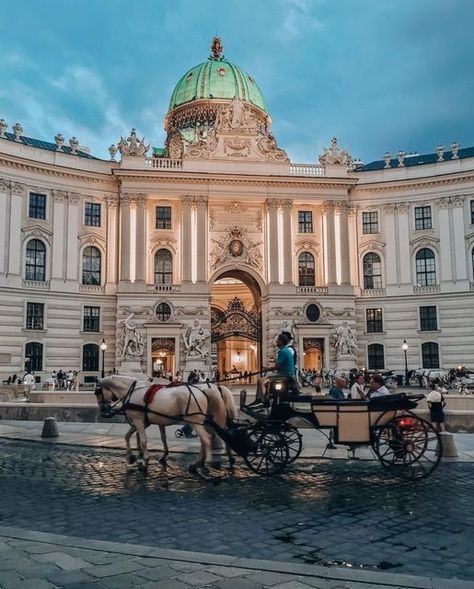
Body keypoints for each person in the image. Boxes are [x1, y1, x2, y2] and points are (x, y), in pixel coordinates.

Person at [251, 333, 297, 407]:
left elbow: (277, 367)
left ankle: (263, 400)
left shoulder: (282, 351)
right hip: (287, 374)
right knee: (265, 379)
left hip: (284, 374)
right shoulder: (286, 350)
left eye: (278, 340)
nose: (276, 342)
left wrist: (266, 369)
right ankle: (263, 397)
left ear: (281, 341)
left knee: (261, 380)